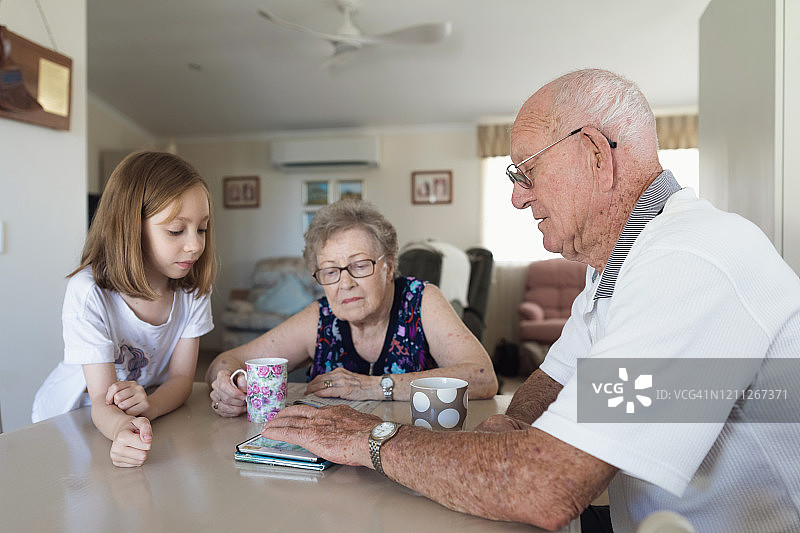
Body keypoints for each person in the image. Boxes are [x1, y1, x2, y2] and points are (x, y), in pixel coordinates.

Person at [261, 69, 800, 532]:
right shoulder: (615, 268)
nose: (517, 196)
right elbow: (551, 383)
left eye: (526, 171)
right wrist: (508, 432)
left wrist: (372, 440)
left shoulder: (691, 260)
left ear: (594, 154)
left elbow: (550, 487)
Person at [207, 199, 497, 416]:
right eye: (330, 271)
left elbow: (483, 377)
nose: (345, 283)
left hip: (414, 449)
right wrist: (232, 385)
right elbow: (223, 361)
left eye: (359, 266)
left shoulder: (421, 301)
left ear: (388, 266)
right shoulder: (320, 318)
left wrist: (372, 386)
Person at [32, 151, 217, 468]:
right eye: (176, 230)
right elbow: (101, 401)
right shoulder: (89, 292)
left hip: (132, 417)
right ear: (130, 228)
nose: (195, 245)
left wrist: (150, 408)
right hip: (69, 419)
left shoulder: (192, 289)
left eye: (201, 229)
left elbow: (183, 378)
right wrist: (121, 427)